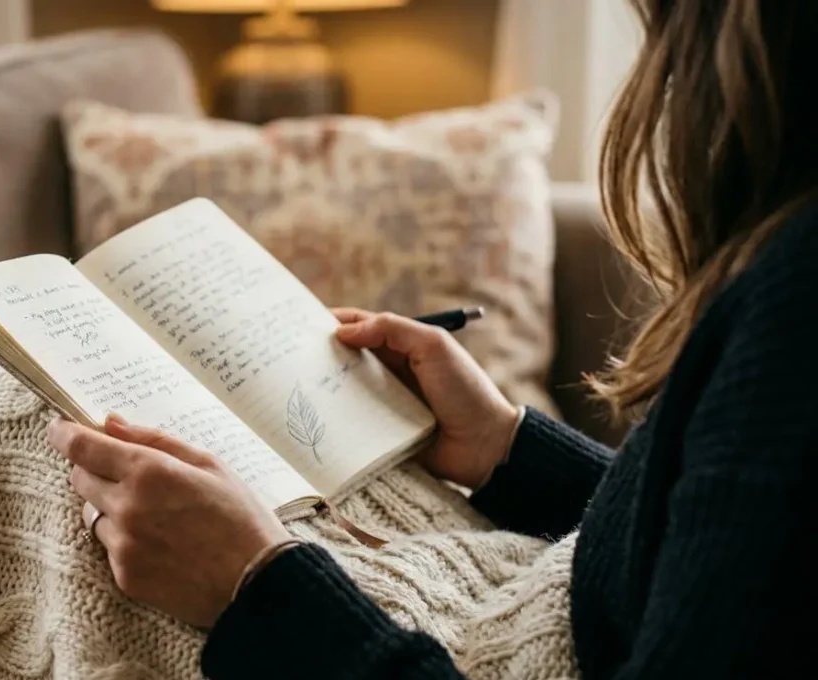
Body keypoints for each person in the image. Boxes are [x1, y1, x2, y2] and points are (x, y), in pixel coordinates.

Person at [47, 0, 818, 677]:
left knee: (32, 435)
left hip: (459, 634)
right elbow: (705, 562)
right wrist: (506, 447)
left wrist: (252, 585)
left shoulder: (796, 310)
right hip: (529, 598)